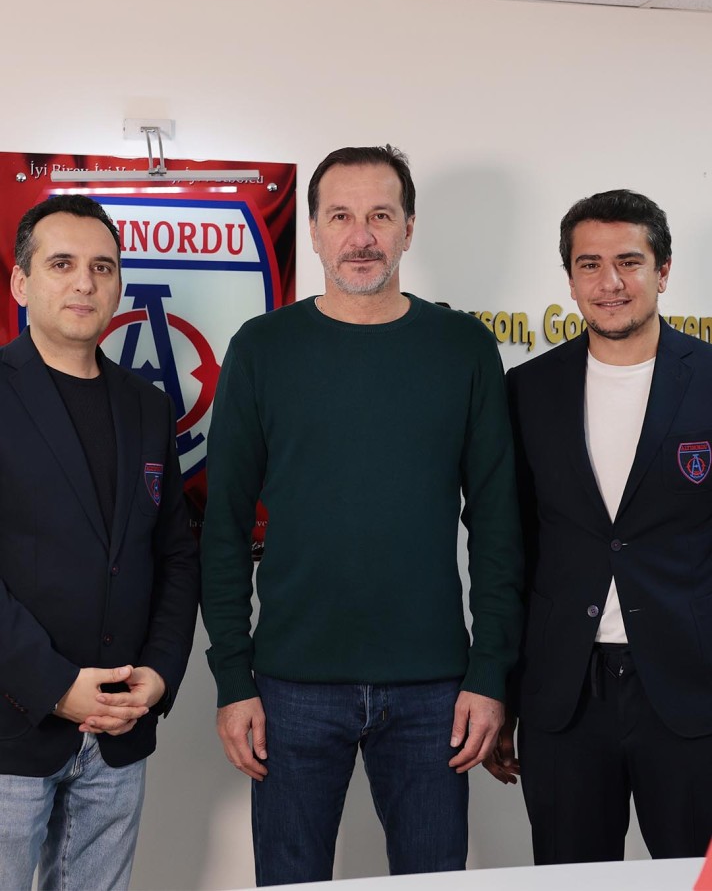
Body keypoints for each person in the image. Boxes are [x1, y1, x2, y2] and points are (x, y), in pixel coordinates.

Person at [201, 144, 523, 885]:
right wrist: (233, 679)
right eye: (340, 216)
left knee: (432, 879)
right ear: (313, 232)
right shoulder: (263, 348)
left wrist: (490, 672)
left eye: (380, 215)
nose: (361, 236)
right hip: (289, 685)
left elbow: (499, 526)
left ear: (409, 228)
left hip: (435, 688)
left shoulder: (464, 348)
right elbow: (223, 529)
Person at [493, 189, 712, 863]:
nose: (609, 282)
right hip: (565, 696)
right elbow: (511, 549)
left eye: (629, 262)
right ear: (570, 279)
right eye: (589, 264)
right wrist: (503, 690)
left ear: (663, 271)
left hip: (693, 691)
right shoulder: (527, 390)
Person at [0, 194, 199, 890]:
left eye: (102, 266)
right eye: (62, 264)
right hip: (11, 731)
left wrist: (160, 672)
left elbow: (174, 553)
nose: (84, 282)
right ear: (21, 282)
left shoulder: (147, 406)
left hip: (119, 732)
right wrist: (56, 687)